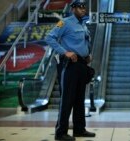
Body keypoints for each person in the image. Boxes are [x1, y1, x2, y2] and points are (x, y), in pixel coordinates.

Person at [45, 0, 95, 140]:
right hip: (69, 65)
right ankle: (60, 132)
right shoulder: (65, 22)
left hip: (82, 64)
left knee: (79, 99)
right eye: (80, 7)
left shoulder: (83, 24)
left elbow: (85, 41)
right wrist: (64, 52)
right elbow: (50, 38)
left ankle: (79, 129)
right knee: (67, 99)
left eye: (84, 7)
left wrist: (88, 54)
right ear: (73, 8)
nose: (83, 9)